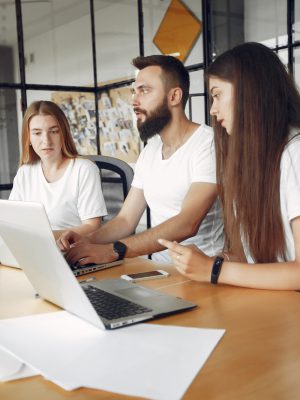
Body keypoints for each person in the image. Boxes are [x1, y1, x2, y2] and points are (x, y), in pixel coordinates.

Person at [159, 42, 300, 290]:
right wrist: (214, 261)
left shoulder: (295, 153)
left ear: (250, 91)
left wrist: (215, 270)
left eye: (217, 95)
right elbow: (257, 262)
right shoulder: (254, 162)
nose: (212, 110)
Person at [57, 55, 224, 265]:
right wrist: (86, 240)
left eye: (144, 91)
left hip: (202, 274)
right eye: (134, 92)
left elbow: (187, 223)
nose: (134, 101)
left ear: (174, 96)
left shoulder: (207, 145)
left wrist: (114, 250)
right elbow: (125, 220)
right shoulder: (151, 151)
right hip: (158, 271)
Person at [9, 100, 107, 239]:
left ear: (64, 134)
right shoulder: (25, 173)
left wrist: (46, 237)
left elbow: (92, 226)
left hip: (73, 252)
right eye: (37, 133)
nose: (46, 141)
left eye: (53, 131)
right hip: (33, 249)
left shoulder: (84, 170)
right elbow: (12, 220)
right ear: (28, 138)